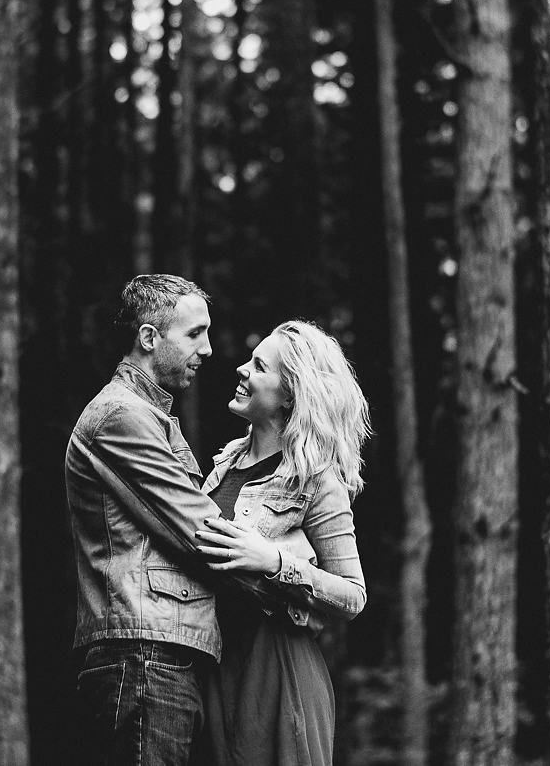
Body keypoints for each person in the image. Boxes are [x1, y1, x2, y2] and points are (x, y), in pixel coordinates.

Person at [65, 274, 254, 766]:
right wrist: (292, 570)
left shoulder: (150, 416)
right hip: (145, 655)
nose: (209, 349)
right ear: (149, 338)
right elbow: (203, 534)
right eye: (195, 334)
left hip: (160, 654)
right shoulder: (120, 416)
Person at [192, 319, 371, 766]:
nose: (240, 369)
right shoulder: (225, 463)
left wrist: (273, 562)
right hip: (214, 662)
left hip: (277, 669)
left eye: (258, 366)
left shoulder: (316, 480)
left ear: (290, 394)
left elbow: (353, 595)